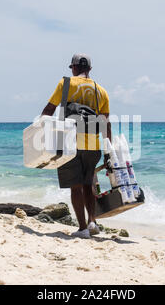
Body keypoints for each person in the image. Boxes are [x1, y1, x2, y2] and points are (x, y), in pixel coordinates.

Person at [41, 53, 112, 239]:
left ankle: (82, 229)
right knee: (89, 184)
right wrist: (108, 150)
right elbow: (106, 122)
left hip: (69, 142)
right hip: (93, 144)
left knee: (76, 187)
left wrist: (40, 134)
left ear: (73, 68)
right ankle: (92, 222)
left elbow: (49, 110)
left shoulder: (66, 84)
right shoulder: (101, 90)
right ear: (89, 69)